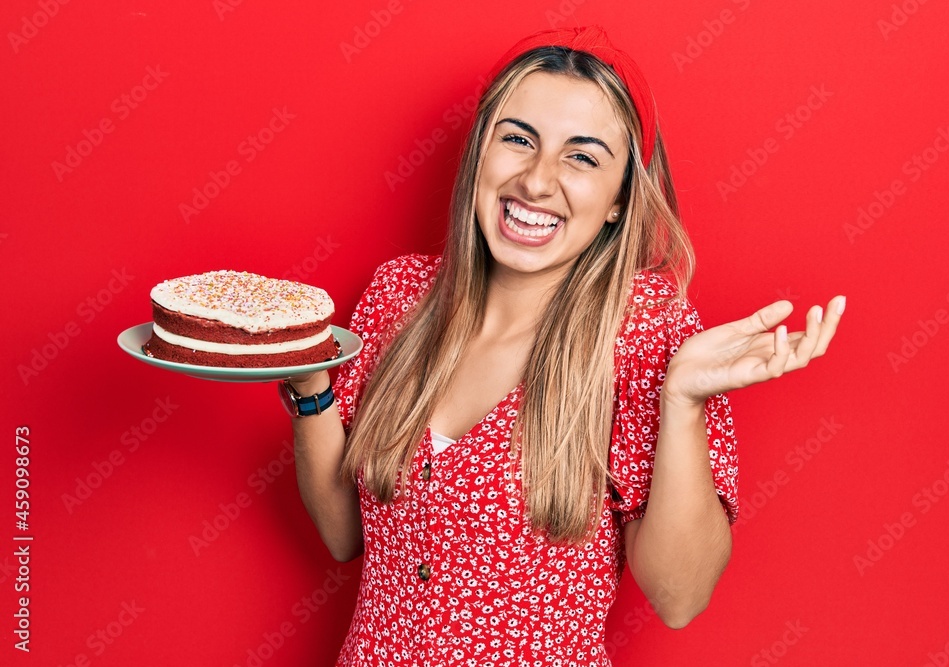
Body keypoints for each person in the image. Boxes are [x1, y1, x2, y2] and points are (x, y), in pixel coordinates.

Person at [282, 26, 844, 666]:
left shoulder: (642, 329)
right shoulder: (399, 296)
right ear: (480, 157)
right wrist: (311, 388)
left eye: (582, 157)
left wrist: (682, 401)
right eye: (517, 140)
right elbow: (344, 535)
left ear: (617, 201)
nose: (538, 181)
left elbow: (679, 596)